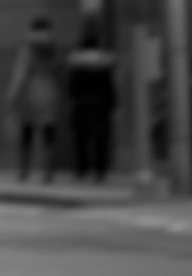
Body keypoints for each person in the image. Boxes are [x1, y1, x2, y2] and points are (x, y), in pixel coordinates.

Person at [8, 17, 63, 183]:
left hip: (30, 94)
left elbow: (20, 75)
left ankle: (24, 170)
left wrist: (12, 97)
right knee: (49, 135)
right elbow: (60, 72)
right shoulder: (53, 48)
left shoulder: (28, 49)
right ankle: (49, 172)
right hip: (50, 93)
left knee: (27, 134)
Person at [65, 22, 117, 183]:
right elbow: (109, 86)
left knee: (81, 139)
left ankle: (83, 169)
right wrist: (111, 103)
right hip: (100, 104)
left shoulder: (77, 64)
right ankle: (100, 170)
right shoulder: (103, 62)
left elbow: (72, 88)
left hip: (82, 104)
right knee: (100, 139)